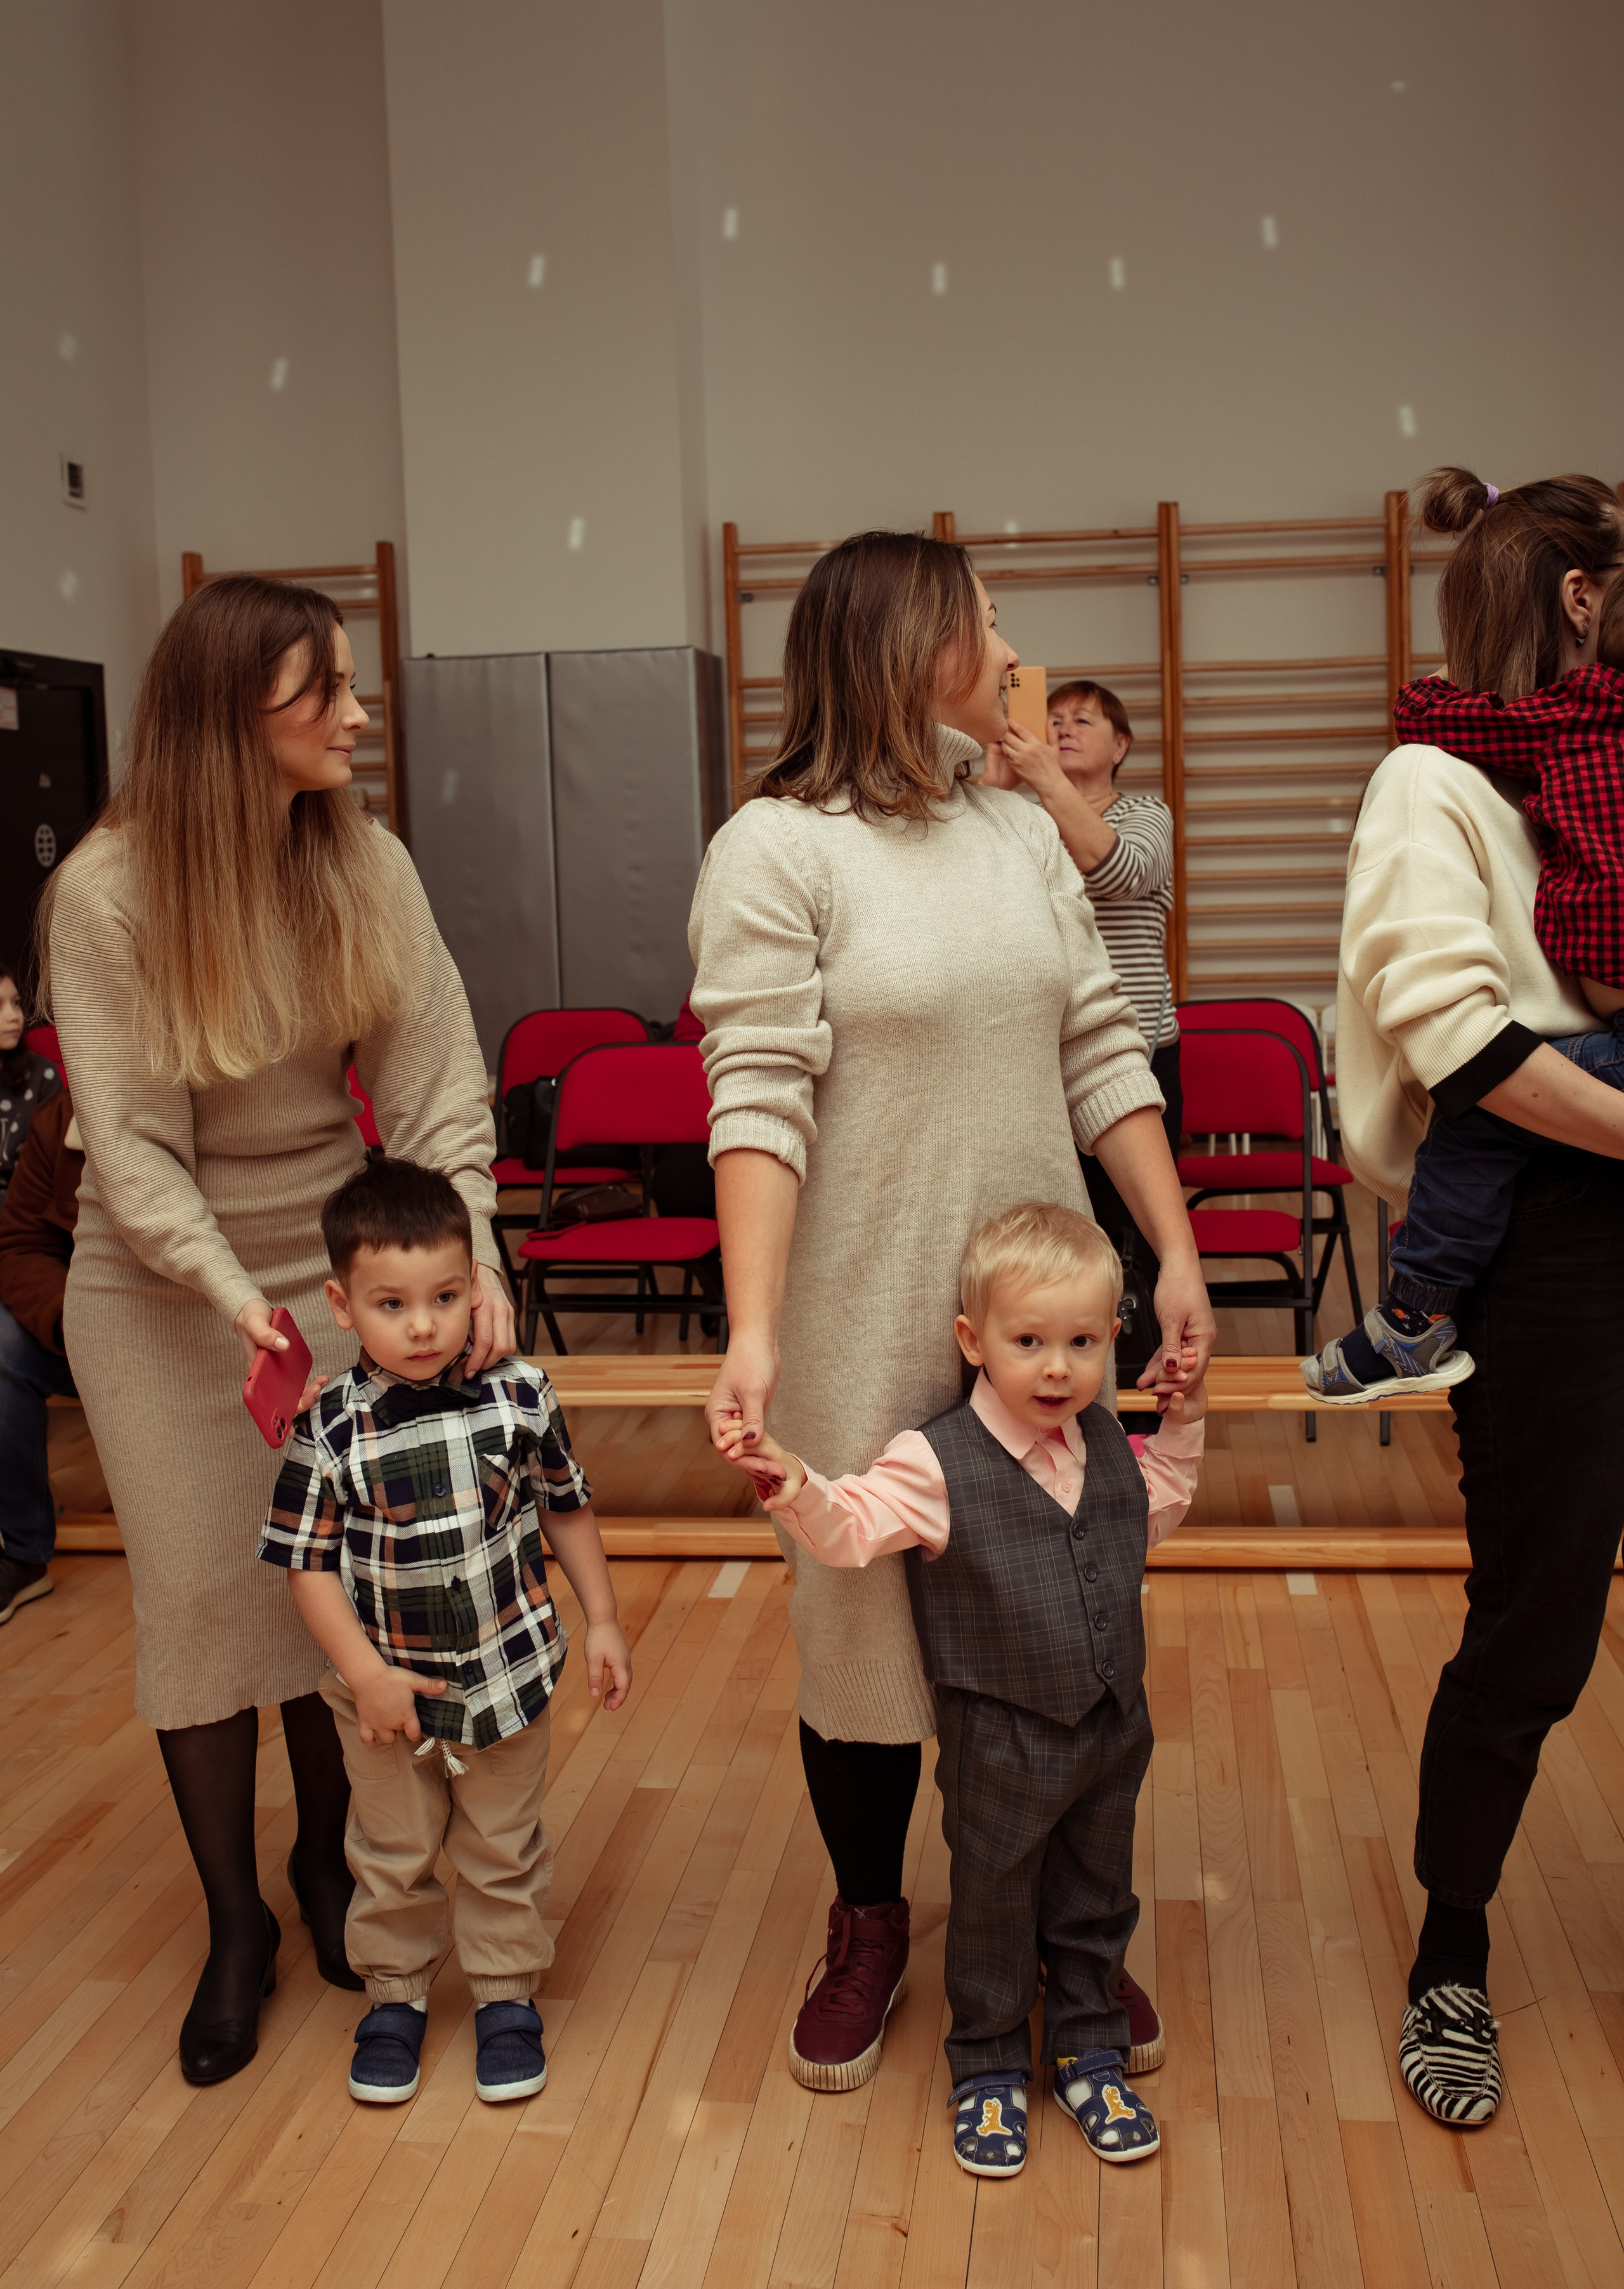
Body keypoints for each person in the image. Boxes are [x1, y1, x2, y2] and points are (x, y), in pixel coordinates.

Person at [690, 531, 1214, 2096]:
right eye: (985, 622)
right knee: (860, 1636)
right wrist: (754, 1328)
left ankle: (1059, 1927)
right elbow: (755, 1094)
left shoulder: (1011, 832)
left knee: (1053, 1625)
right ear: (912, 646)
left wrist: (1173, 1248)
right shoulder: (774, 848)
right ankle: (870, 1919)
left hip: (1035, 1313)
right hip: (859, 1305)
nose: (1008, 649)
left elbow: (1099, 1045)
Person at [41, 574, 514, 2089]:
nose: (359, 716)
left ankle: (326, 1863)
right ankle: (233, 1921)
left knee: (337, 1584)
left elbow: (436, 1080)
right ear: (230, 713)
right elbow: (128, 1143)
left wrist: (469, 1257)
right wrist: (227, 1291)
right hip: (158, 1290)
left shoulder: (363, 858)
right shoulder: (106, 891)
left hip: (338, 1269)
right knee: (201, 1598)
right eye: (327, 692)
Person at [1332, 465, 1624, 2127]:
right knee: (1535, 1615)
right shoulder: (1432, 782)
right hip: (1552, 1232)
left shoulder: (1614, 763)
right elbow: (1463, 1042)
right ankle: (1451, 1947)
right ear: (1580, 596)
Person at [719, 1202, 1203, 2175]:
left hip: (1113, 1729)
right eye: (1029, 1342)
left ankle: (1088, 2049)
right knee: (994, 1906)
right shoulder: (936, 1460)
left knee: (1097, 1895)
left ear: (1114, 1336)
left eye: (1081, 1343)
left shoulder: (1108, 1444)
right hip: (1000, 1743)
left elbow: (1161, 1502)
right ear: (973, 1341)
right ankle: (987, 2063)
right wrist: (794, 1480)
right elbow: (854, 1525)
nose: (1057, 1368)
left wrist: (1184, 1419)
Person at [261, 1157, 631, 2106]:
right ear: (343, 1306)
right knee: (392, 1850)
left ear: (477, 1286)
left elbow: (566, 1508)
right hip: (382, 1692)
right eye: (392, 1304)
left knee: (504, 1846)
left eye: (445, 1297)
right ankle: (396, 1995)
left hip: (508, 1675)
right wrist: (365, 1674)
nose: (423, 1325)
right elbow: (306, 1564)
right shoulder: (328, 1428)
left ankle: (506, 1993)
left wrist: (603, 1619)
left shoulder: (522, 1394)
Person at [1309, 554, 1624, 1401]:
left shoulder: (1579, 719)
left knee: (1477, 1117)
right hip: (1559, 1213)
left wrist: (1450, 680)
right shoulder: (1465, 773)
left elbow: (1431, 709)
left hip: (1567, 1180)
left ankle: (1415, 1315)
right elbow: (1460, 1041)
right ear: (1577, 595)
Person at [991, 682, 1179, 1407]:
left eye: (1083, 720)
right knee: (1057, 1236)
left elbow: (1118, 869)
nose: (1064, 728)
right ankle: (1059, 1394)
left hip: (1135, 1061)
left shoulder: (1144, 813)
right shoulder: (1022, 817)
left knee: (1130, 1233)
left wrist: (1044, 779)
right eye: (1055, 719)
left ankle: (1144, 1393)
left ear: (1120, 745)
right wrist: (1002, 786)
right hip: (1041, 1059)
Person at [0, 1089, 82, 1619]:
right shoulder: (58, 1119)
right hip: (84, 1330)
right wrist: (72, 1316)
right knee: (3, 1346)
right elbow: (23, 1245)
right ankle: (23, 1553)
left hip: (206, 1329)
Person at [0, 964, 63, 1205]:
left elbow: (52, 1167)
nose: (13, 1016)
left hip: (22, 1207)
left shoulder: (41, 1075)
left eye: (16, 1003)